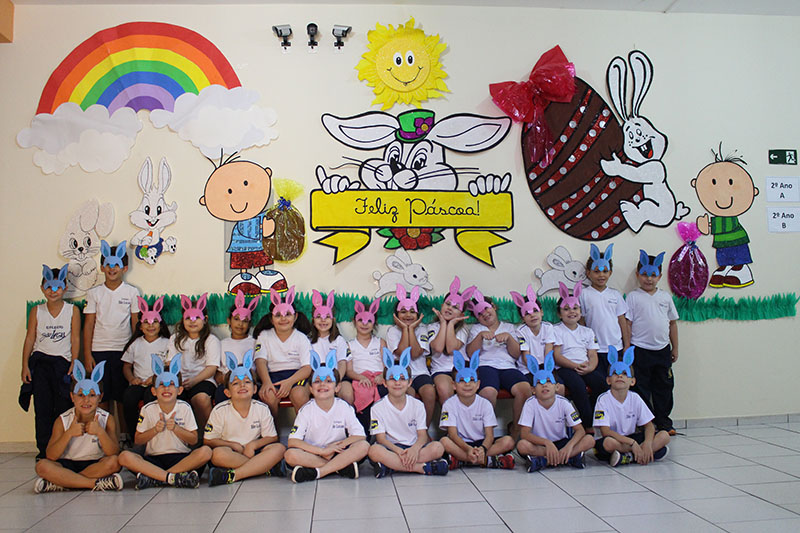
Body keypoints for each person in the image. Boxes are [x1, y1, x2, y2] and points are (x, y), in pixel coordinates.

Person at [118, 354, 212, 489]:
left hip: (181, 458)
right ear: (154, 391)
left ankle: (158, 478)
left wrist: (176, 429)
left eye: (172, 384)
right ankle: (174, 477)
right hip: (154, 459)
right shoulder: (147, 409)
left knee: (206, 452)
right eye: (161, 385)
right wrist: (154, 430)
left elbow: (193, 440)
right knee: (124, 456)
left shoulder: (184, 407)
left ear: (180, 390)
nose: (166, 388)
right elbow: (138, 440)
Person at [33, 361, 123, 493]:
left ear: (100, 397)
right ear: (72, 397)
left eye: (92, 395)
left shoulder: (107, 419)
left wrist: (100, 432)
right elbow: (51, 455)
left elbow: (113, 452)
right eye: (80, 395)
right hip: (67, 463)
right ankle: (92, 483)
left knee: (114, 462)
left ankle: (64, 482)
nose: (86, 400)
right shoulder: (62, 420)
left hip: (95, 464)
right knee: (42, 466)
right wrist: (69, 433)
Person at [22, 264, 80, 459]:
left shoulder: (72, 311)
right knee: (42, 408)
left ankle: (63, 448)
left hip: (63, 365)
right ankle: (44, 449)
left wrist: (74, 362)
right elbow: (30, 338)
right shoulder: (37, 311)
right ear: (42, 288)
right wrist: (25, 365)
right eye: (48, 287)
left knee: (64, 407)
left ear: (65, 288)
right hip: (40, 366)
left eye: (57, 287)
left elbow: (75, 339)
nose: (53, 291)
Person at [285, 350, 370, 483]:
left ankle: (318, 472)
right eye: (317, 381)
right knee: (290, 455)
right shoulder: (306, 410)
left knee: (363, 446)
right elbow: (293, 441)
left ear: (337, 387)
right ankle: (340, 467)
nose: (323, 384)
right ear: (311, 389)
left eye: (329, 381)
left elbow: (360, 436)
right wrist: (322, 451)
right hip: (314, 453)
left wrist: (335, 447)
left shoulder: (343, 406)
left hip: (338, 451)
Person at [205, 352, 286, 485]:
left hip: (254, 451)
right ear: (227, 392)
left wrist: (253, 445)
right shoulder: (219, 411)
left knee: (279, 448)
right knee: (217, 454)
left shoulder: (262, 408)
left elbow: (272, 437)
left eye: (247, 382)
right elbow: (208, 440)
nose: (242, 385)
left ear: (254, 389)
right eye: (236, 383)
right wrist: (232, 445)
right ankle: (265, 468)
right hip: (231, 451)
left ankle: (233, 475)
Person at [368, 348, 448, 478]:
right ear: (385, 383)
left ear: (409, 382)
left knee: (438, 448)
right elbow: (381, 439)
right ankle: (421, 468)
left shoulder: (418, 405)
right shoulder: (377, 407)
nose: (397, 383)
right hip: (392, 448)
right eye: (392, 379)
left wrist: (414, 450)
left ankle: (392, 466)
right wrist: (398, 451)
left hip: (414, 447)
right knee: (374, 451)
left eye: (402, 379)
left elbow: (422, 435)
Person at [83, 240, 140, 420]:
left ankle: (123, 434)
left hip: (123, 352)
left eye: (116, 265)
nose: (112, 269)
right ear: (102, 267)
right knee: (102, 396)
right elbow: (89, 325)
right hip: (99, 350)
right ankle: (105, 432)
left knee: (122, 397)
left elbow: (135, 324)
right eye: (108, 265)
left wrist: (134, 353)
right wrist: (87, 355)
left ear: (124, 268)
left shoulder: (132, 292)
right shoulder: (94, 293)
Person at [626, 250, 680, 434]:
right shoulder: (633, 297)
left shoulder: (665, 297)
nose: (648, 279)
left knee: (664, 386)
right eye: (644, 274)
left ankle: (664, 422)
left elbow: (672, 323)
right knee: (641, 387)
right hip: (640, 349)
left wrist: (675, 348)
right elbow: (628, 324)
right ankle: (646, 423)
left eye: (653, 275)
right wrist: (628, 348)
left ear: (660, 276)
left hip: (662, 349)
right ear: (638, 275)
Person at [465, 289, 531, 438]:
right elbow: (470, 354)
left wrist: (509, 338)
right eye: (479, 314)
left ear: (494, 307)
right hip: (484, 366)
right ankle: (484, 434)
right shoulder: (476, 329)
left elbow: (516, 354)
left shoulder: (509, 327)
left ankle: (516, 430)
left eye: (486, 308)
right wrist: (480, 337)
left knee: (525, 390)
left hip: (508, 367)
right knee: (488, 393)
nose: (484, 314)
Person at [517, 352, 594, 472]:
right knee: (522, 445)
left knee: (589, 440)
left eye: (548, 381)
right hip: (541, 444)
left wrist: (568, 447)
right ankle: (569, 458)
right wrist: (547, 443)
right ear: (533, 390)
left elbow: (580, 430)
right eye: (539, 383)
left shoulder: (564, 403)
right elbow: (524, 434)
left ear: (557, 387)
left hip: (561, 442)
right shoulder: (530, 404)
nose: (544, 385)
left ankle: (546, 460)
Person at [593, 347, 670, 466]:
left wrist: (648, 443)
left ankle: (630, 456)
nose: (620, 376)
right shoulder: (603, 399)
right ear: (608, 380)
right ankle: (644, 453)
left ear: (632, 381)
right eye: (615, 374)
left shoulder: (635, 398)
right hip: (614, 439)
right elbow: (606, 431)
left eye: (624, 374)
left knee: (664, 435)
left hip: (631, 437)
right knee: (608, 443)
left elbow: (649, 426)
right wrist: (632, 443)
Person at [692, 149, 758, 288]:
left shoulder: (731, 219)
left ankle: (742, 270)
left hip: (737, 241)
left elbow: (726, 226)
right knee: (723, 257)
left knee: (738, 257)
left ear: (754, 191)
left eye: (730, 183)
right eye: (714, 183)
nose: (722, 194)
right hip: (722, 243)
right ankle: (726, 268)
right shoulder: (718, 219)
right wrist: (705, 226)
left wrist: (709, 227)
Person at [439, 350, 516, 470]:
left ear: (478, 384)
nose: (467, 384)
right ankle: (487, 460)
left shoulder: (485, 404)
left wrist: (482, 449)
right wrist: (468, 449)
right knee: (444, 442)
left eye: (472, 380)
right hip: (461, 444)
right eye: (462, 380)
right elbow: (453, 435)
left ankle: (464, 460)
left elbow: (490, 435)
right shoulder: (449, 404)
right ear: (453, 385)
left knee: (508, 441)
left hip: (482, 443)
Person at [552, 281, 606, 431]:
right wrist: (575, 366)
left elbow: (592, 354)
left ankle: (596, 418)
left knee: (602, 384)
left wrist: (590, 368)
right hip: (565, 368)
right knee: (578, 387)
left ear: (580, 311)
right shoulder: (556, 330)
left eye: (575, 308)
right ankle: (587, 425)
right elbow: (557, 356)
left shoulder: (587, 331)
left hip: (585, 366)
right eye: (566, 309)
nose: (571, 312)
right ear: (559, 314)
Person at [253, 286, 313, 414]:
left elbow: (307, 368)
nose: (283, 318)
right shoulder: (264, 335)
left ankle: (303, 427)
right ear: (271, 319)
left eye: (288, 314)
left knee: (299, 395)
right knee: (268, 396)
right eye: (278, 315)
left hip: (297, 376)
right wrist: (266, 382)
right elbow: (260, 361)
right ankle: (271, 427)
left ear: (295, 317)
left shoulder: (301, 338)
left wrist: (289, 382)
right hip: (272, 376)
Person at [168, 293, 221, 433]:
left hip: (203, 380)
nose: (192, 321)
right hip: (179, 381)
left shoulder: (211, 340)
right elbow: (170, 363)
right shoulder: (175, 339)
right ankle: (183, 437)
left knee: (201, 399)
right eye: (188, 318)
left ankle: (208, 435)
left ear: (205, 319)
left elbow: (212, 368)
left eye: (197, 317)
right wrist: (178, 382)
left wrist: (194, 381)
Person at [121, 296, 170, 440]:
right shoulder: (135, 344)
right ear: (140, 326)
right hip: (139, 384)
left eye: (155, 321)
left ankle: (154, 436)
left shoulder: (167, 343)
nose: (150, 325)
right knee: (129, 398)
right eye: (146, 322)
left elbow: (169, 366)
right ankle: (135, 436)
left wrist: (154, 379)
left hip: (158, 385)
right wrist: (132, 379)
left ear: (161, 325)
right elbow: (126, 366)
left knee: (151, 398)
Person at [386, 285, 435, 426]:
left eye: (412, 312)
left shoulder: (423, 329)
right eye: (403, 311)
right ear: (396, 315)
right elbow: (403, 353)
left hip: (420, 373)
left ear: (418, 315)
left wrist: (411, 329)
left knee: (429, 392)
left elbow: (414, 353)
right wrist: (404, 329)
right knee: (409, 394)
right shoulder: (392, 331)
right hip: (402, 374)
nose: (408, 315)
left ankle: (424, 429)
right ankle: (407, 430)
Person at [579, 243, 630, 376]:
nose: (601, 275)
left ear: (610, 273)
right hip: (595, 349)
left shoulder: (615, 294)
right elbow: (581, 322)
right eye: (596, 271)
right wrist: (583, 346)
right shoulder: (584, 294)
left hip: (616, 347)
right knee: (600, 381)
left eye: (605, 271)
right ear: (588, 273)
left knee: (616, 379)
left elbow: (622, 321)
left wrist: (626, 344)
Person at [428, 276, 474, 405]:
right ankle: (448, 418)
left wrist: (451, 324)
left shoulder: (462, 329)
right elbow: (438, 348)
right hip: (441, 370)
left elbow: (451, 349)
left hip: (462, 368)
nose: (449, 308)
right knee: (444, 389)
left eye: (455, 307)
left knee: (466, 391)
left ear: (461, 314)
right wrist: (443, 323)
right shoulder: (432, 327)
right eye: (448, 304)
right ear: (442, 305)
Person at [309, 289, 353, 405]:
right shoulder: (308, 341)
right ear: (313, 320)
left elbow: (342, 363)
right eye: (318, 317)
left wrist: (335, 381)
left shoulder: (339, 340)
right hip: (316, 379)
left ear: (333, 320)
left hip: (337, 377)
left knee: (347, 393)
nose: (323, 320)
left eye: (327, 317)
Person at [509, 285, 557, 390]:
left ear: (541, 312)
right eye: (527, 313)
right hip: (528, 369)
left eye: (535, 310)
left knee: (559, 387)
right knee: (535, 388)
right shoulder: (520, 331)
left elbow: (548, 351)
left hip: (546, 367)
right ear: (522, 318)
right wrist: (536, 371)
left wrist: (546, 370)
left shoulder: (548, 327)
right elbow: (526, 355)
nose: (532, 315)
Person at [345, 299, 388, 418]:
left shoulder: (380, 342)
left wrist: (382, 376)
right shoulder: (349, 345)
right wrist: (361, 377)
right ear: (354, 322)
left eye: (369, 321)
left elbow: (387, 365)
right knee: (363, 393)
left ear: (374, 323)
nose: (364, 324)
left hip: (380, 378)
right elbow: (349, 371)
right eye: (360, 320)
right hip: (360, 379)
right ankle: (364, 426)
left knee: (385, 391)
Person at [215, 291, 258, 404]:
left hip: (249, 383)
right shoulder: (221, 344)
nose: (240, 324)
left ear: (250, 323)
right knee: (220, 393)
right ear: (229, 320)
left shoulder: (255, 343)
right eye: (236, 319)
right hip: (228, 383)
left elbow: (259, 369)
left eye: (245, 321)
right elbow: (217, 374)